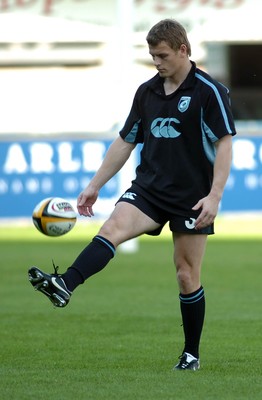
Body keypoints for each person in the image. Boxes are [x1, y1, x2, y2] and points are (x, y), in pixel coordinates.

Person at [28, 19, 236, 371]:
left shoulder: (207, 91)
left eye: (162, 55)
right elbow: (126, 140)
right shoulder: (147, 91)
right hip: (150, 188)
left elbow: (225, 143)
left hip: (192, 197)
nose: (156, 61)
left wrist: (215, 196)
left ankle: (191, 354)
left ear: (183, 50)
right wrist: (94, 185)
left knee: (186, 275)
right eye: (153, 55)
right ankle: (65, 283)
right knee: (111, 228)